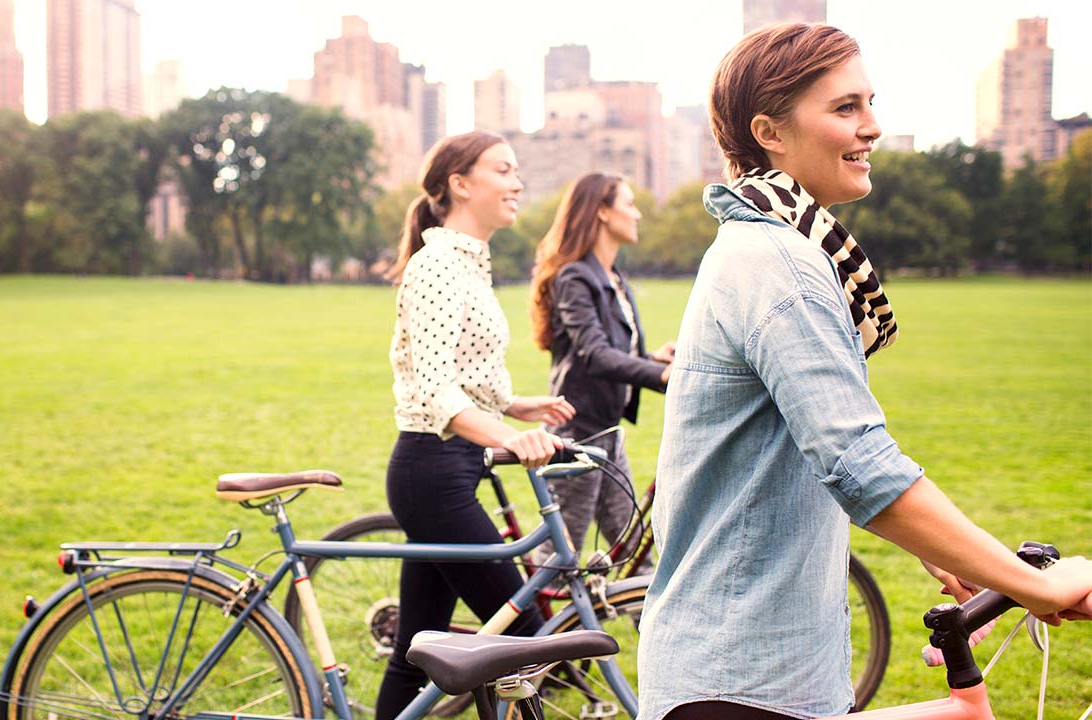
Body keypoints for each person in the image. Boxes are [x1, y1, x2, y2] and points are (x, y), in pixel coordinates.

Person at [635, 23, 1092, 720]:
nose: (873, 126)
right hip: (746, 684)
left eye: (870, 103)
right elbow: (862, 466)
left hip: (748, 673)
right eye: (846, 107)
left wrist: (964, 559)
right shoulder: (780, 263)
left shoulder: (770, 247)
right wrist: (1043, 589)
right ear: (771, 132)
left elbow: (819, 450)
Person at [377, 130, 577, 720]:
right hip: (432, 470)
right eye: (503, 170)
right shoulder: (439, 265)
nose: (517, 183)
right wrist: (511, 437)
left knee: (414, 656)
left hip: (443, 470)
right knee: (525, 635)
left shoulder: (464, 262)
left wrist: (514, 405)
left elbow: (457, 370)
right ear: (460, 184)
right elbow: (436, 390)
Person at [529, 173, 673, 564]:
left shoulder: (613, 278)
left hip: (606, 434)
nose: (637, 213)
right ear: (603, 212)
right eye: (628, 204)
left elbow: (617, 352)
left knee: (633, 552)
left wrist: (658, 360)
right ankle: (526, 625)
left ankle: (647, 624)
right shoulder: (576, 277)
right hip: (576, 433)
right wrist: (664, 377)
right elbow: (595, 354)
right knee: (559, 559)